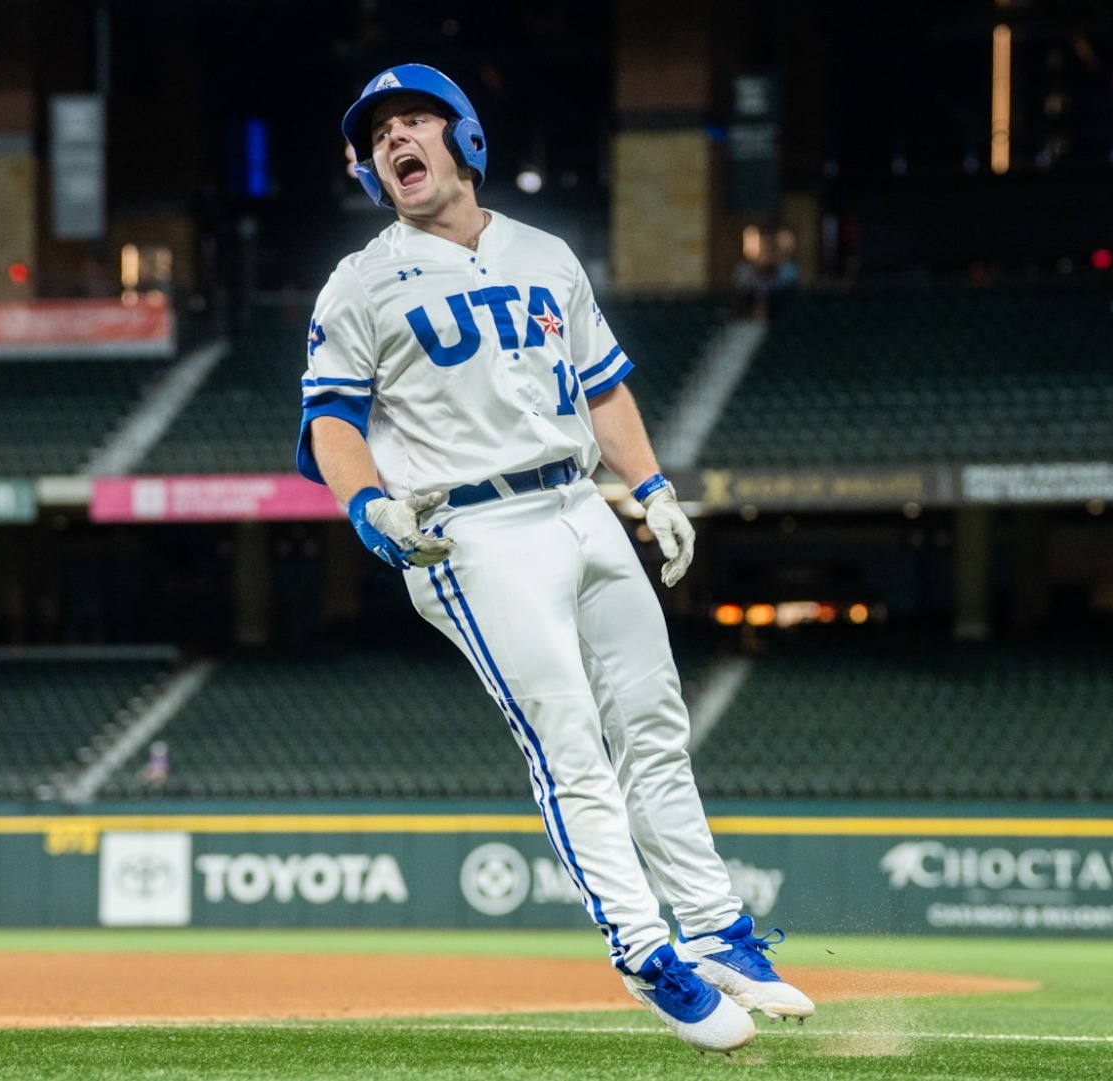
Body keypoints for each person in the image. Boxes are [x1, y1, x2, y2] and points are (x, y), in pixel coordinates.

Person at [295, 63, 812, 1053]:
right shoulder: (359, 282)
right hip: (471, 531)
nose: (394, 139)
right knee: (569, 739)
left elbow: (604, 387)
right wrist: (366, 500)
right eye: (378, 133)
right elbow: (330, 419)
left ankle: (713, 932)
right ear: (369, 168)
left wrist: (653, 486)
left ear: (466, 140)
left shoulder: (547, 254)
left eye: (415, 121)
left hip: (580, 504)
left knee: (655, 724)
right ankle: (643, 950)